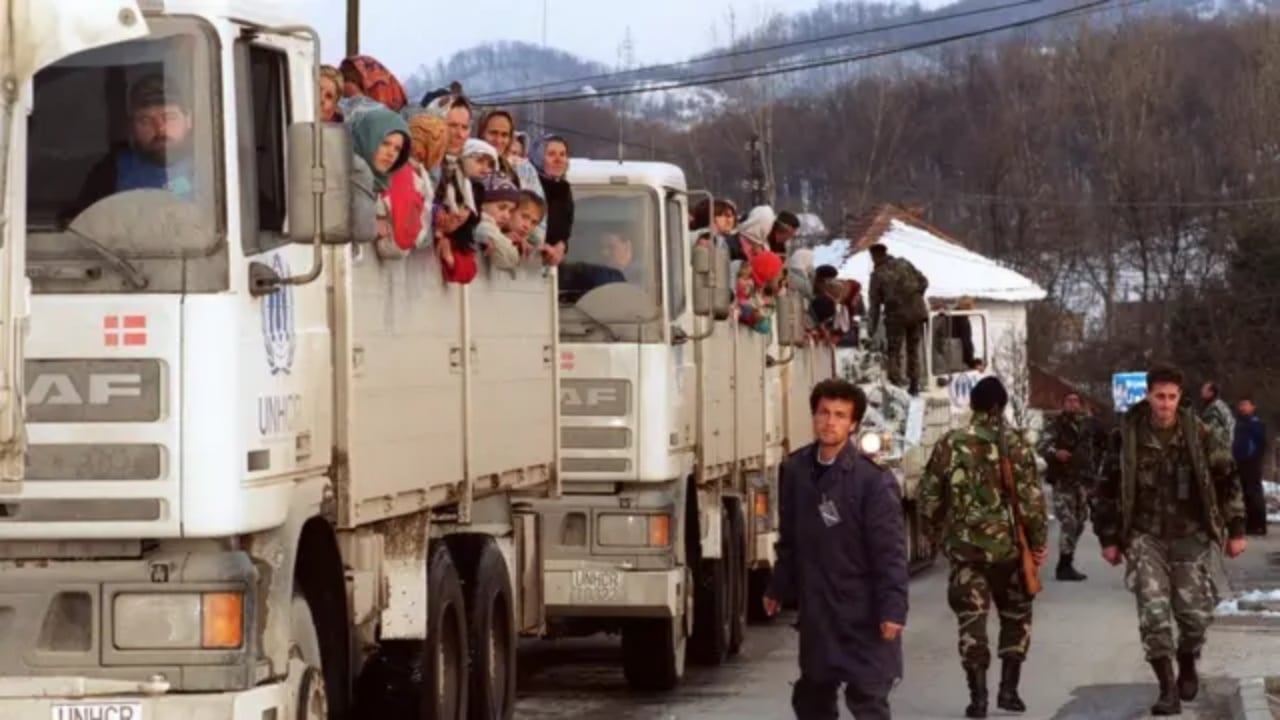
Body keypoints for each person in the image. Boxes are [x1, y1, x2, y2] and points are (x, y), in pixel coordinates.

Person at [1094, 364, 1246, 716]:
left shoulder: (1200, 434)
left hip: (1190, 535)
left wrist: (1236, 530)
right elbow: (1106, 490)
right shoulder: (1126, 436)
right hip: (1145, 537)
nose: (1165, 404)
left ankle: (1187, 660)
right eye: (1159, 396)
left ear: (1180, 398)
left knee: (1194, 617)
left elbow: (1228, 480)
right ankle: (1167, 689)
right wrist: (1109, 537)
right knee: (1153, 613)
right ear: (1148, 396)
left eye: (1171, 397)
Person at [764, 378, 908, 720]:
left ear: (853, 424)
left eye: (840, 415)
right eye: (824, 413)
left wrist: (893, 610)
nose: (830, 422)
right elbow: (791, 538)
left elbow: (890, 552)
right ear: (813, 416)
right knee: (812, 698)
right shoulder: (796, 470)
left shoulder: (871, 480)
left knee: (869, 699)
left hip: (864, 612)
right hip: (820, 612)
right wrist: (778, 587)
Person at [919, 376, 1048, 719]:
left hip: (965, 553)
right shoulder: (1017, 445)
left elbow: (928, 497)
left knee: (971, 624)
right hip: (1008, 551)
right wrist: (1037, 547)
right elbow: (1032, 503)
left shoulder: (950, 443)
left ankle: (977, 699)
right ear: (1001, 406)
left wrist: (936, 535)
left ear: (972, 404)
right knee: (1017, 616)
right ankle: (1009, 690)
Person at [73, 74, 195, 217]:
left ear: (188, 120)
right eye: (145, 120)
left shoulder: (216, 162)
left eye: (168, 117)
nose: (160, 128)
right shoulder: (110, 172)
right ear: (132, 128)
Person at [1037, 390, 1096, 582]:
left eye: (1076, 401)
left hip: (1081, 480)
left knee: (1079, 521)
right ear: (1063, 404)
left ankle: (1068, 560)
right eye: (1069, 400)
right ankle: (1063, 565)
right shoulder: (1056, 424)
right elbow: (1042, 446)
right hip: (1062, 480)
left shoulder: (1086, 425)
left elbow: (1094, 448)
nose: (1073, 404)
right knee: (1068, 521)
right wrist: (1056, 453)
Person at [866, 243, 929, 395]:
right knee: (913, 349)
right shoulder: (904, 263)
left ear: (874, 257)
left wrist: (871, 330)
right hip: (917, 313)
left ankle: (896, 386)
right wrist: (915, 296)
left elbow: (874, 306)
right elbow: (924, 281)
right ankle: (914, 384)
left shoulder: (877, 275)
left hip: (896, 316)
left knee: (894, 351)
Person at [1233, 398, 1268, 536]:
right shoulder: (1239, 423)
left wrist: (1254, 457)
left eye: (1245, 405)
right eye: (1240, 405)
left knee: (1253, 492)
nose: (1242, 408)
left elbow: (1261, 443)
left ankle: (1259, 524)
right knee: (1244, 493)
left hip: (1252, 462)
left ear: (1253, 407)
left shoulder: (1255, 423)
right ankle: (1249, 523)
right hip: (1240, 461)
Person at [1199, 382, 1235, 451]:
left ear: (1211, 393)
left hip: (1219, 447)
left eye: (1204, 389)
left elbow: (1210, 427)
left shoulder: (1215, 407)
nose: (1201, 391)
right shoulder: (1217, 405)